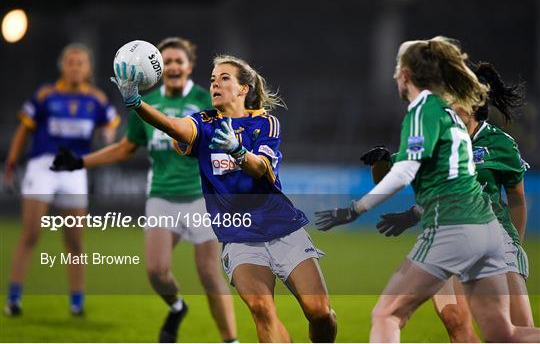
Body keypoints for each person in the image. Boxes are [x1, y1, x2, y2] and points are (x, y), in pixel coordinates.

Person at [315, 36, 540, 342]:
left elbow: (406, 171)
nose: (395, 75)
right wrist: (410, 208)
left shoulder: (425, 112)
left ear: (406, 75)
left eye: (397, 69)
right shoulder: (449, 119)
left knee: (387, 314)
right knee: (503, 333)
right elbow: (448, 179)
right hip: (485, 231)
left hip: (455, 228)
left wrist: (355, 209)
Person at [109, 54, 338, 342]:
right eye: (213, 79)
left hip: (282, 229)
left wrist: (238, 152)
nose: (215, 84)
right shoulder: (203, 123)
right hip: (238, 235)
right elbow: (170, 125)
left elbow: (260, 170)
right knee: (261, 309)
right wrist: (136, 102)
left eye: (224, 78)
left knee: (318, 311)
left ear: (244, 88)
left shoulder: (266, 124)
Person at [51, 37, 237, 343]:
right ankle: (177, 307)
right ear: (159, 68)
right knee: (156, 272)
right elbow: (126, 148)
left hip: (201, 198)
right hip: (161, 196)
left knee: (207, 272)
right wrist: (79, 162)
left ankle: (231, 340)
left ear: (190, 66)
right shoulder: (146, 104)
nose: (174, 66)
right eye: (168, 61)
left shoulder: (208, 100)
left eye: (180, 60)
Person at [364, 61, 534, 333]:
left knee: (516, 328)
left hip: (494, 237)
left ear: (472, 104)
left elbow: (516, 198)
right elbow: (386, 178)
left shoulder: (500, 144)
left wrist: (515, 245)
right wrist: (381, 161)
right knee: (455, 320)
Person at [3, 43, 120, 316]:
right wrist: (11, 161)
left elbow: (110, 129)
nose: (75, 67)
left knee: (75, 240)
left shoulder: (97, 100)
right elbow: (23, 130)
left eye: (80, 62)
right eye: (71, 62)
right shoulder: (45, 95)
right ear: (63, 66)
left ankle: (77, 301)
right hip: (42, 166)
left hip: (74, 169)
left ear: (88, 68)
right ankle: (14, 297)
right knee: (31, 233)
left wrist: (107, 136)